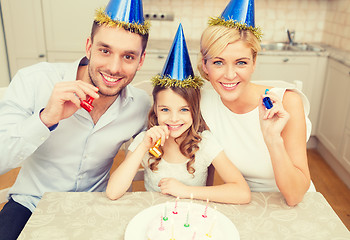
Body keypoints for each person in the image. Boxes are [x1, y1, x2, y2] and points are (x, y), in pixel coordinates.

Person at [0, 0, 151, 239]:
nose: (114, 67)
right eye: (105, 50)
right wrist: (45, 119)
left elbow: (157, 157)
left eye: (128, 56)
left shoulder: (142, 105)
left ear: (141, 61)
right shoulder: (34, 80)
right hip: (30, 204)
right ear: (89, 46)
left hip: (96, 207)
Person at [106, 24, 251, 204]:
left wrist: (185, 191)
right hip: (156, 217)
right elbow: (112, 192)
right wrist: (143, 146)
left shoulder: (204, 143)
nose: (174, 119)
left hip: (194, 219)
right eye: (165, 109)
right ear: (156, 110)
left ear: (194, 110)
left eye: (184, 110)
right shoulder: (146, 141)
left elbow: (242, 193)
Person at [197, 0, 313, 206]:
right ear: (205, 66)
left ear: (254, 63)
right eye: (218, 62)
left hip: (291, 204)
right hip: (242, 200)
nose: (230, 75)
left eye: (241, 62)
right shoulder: (203, 103)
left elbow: (295, 196)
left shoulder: (287, 103)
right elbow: (209, 166)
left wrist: (272, 138)